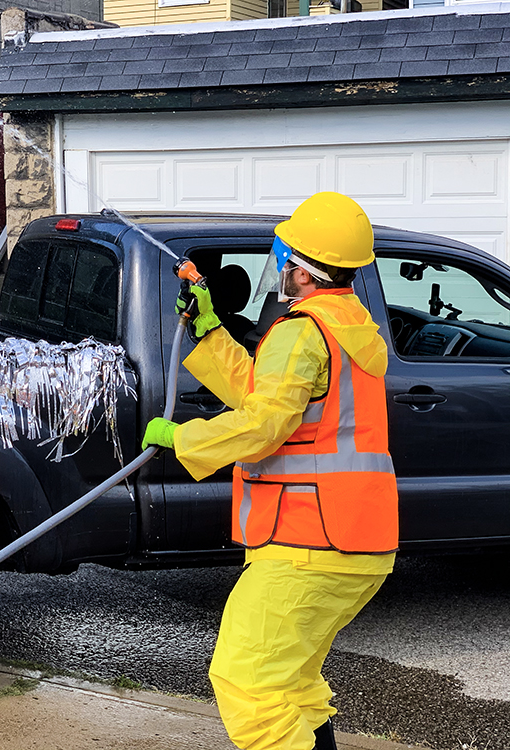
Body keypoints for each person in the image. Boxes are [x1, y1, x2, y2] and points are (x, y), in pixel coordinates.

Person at [142, 192, 399, 750]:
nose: (278, 267)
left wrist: (183, 437)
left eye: (283, 257)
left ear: (302, 271)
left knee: (248, 683)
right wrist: (209, 330)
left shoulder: (302, 331)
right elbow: (267, 394)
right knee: (292, 684)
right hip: (353, 541)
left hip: (308, 541)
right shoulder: (347, 326)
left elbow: (263, 425)